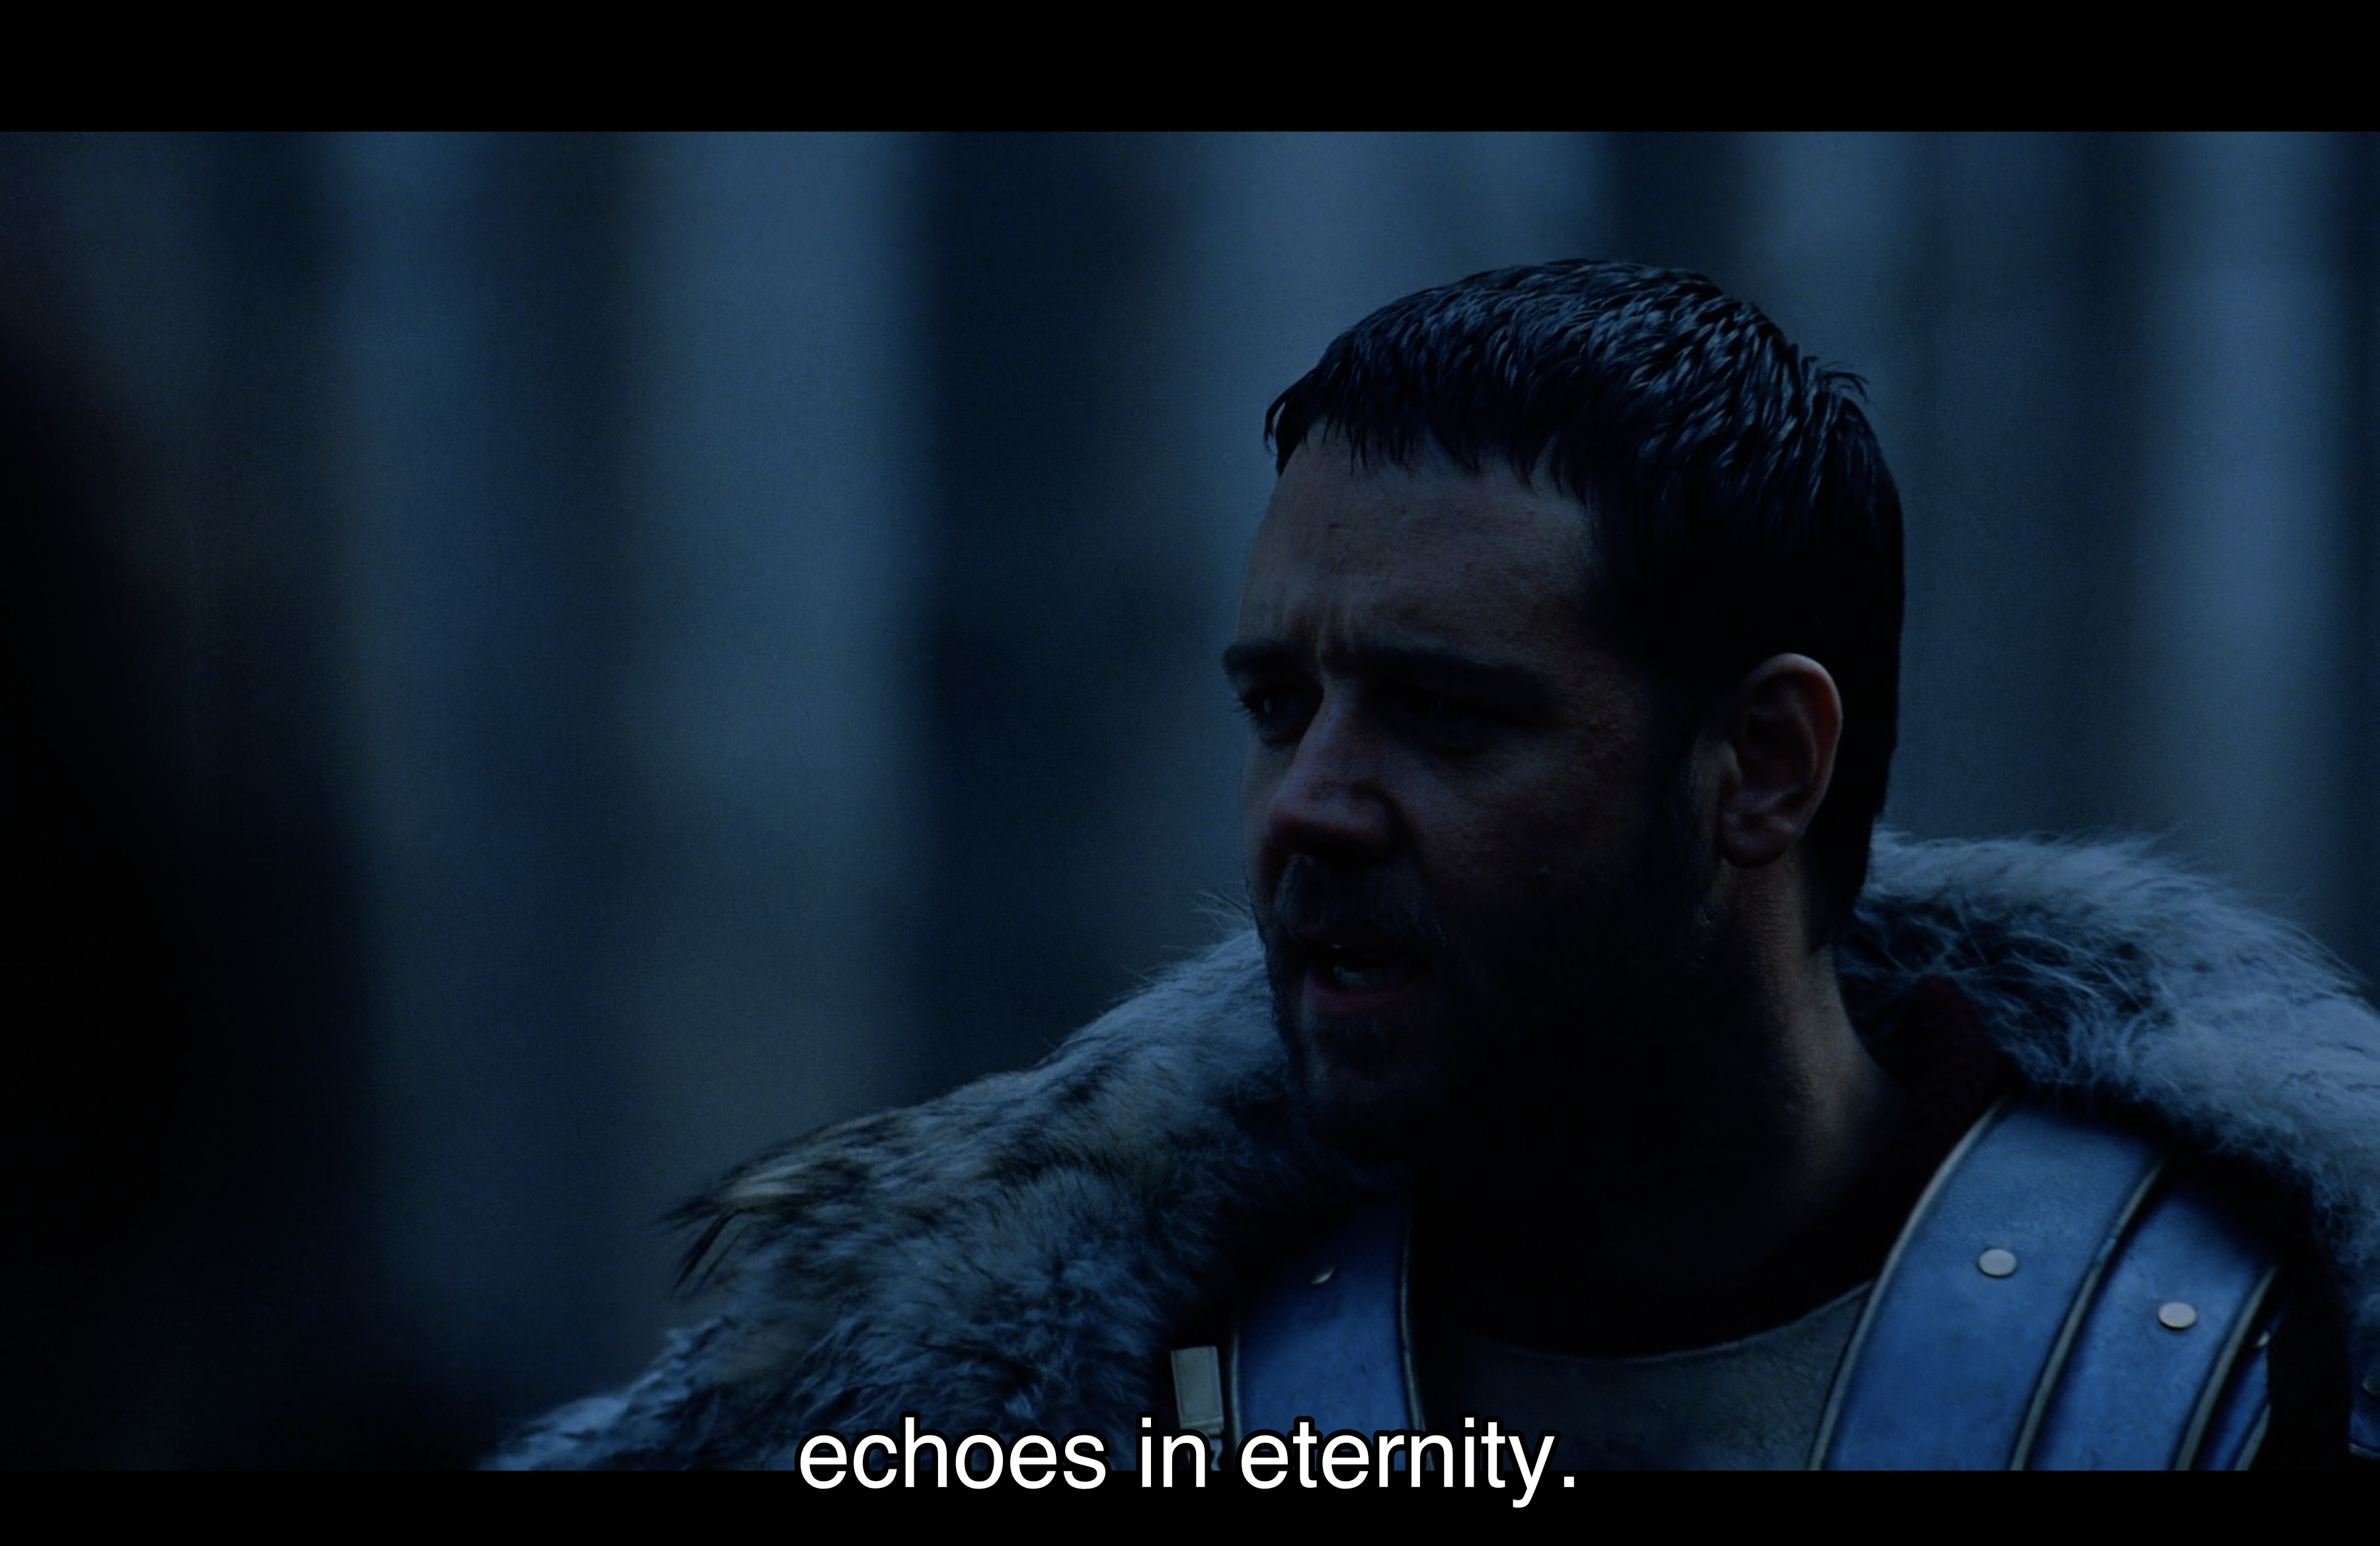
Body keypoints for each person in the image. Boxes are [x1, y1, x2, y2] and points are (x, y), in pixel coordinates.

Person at [496, 261, 2377, 1472]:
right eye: (1278, 706)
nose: (1306, 807)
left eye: (1446, 716)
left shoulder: (2243, 1366)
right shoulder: (1100, 1388)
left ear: (1763, 766)